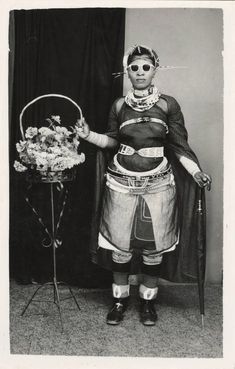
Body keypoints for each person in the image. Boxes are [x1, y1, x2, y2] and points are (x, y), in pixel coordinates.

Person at [76, 44, 212, 326]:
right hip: (121, 184)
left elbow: (179, 145)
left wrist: (196, 172)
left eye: (145, 67)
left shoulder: (168, 105)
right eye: (134, 68)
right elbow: (113, 141)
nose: (139, 72)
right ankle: (119, 301)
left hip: (159, 185)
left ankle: (148, 304)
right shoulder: (118, 106)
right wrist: (89, 136)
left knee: (154, 248)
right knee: (120, 247)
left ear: (154, 70)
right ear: (127, 72)